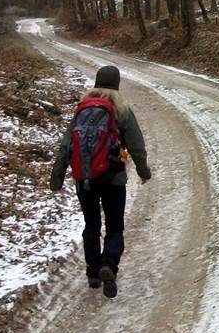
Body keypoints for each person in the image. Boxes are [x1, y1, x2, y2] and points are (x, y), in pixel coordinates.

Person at [49, 65, 151, 298]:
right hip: (113, 178)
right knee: (114, 226)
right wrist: (144, 172)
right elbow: (136, 146)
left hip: (84, 178)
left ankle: (93, 272)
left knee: (91, 225)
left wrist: (57, 177)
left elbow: (66, 145)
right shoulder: (122, 109)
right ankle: (109, 264)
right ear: (117, 83)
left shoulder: (82, 109)